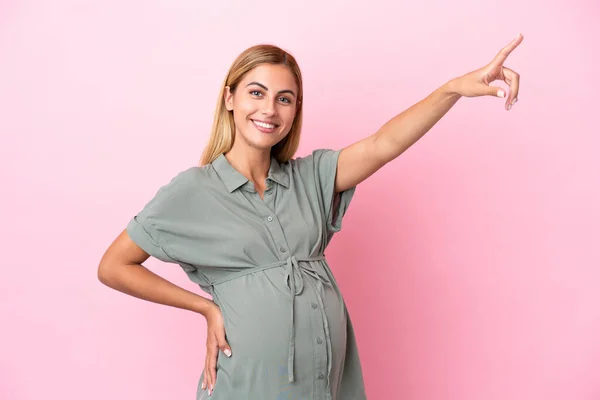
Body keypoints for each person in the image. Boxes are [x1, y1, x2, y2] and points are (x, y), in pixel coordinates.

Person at [98, 34, 523, 400]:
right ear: (230, 98)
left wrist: (452, 89)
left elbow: (383, 144)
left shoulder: (311, 178)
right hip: (249, 385)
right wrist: (204, 308)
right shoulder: (192, 192)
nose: (269, 109)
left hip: (325, 381)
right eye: (256, 92)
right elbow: (113, 266)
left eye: (285, 99)